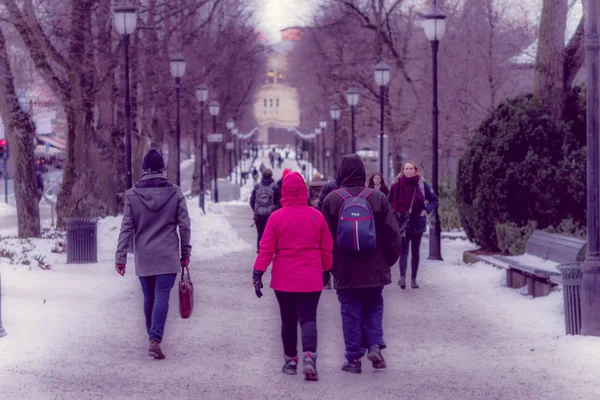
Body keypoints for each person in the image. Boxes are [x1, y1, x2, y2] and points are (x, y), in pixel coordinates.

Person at [321, 154, 401, 374]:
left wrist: (328, 268)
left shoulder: (332, 199)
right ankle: (375, 346)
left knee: (350, 311)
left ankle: (353, 359)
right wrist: (388, 260)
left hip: (345, 268)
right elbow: (393, 233)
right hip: (375, 265)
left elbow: (324, 238)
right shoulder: (376, 197)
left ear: (342, 173)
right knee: (374, 306)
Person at [252, 171, 333, 381]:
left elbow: (266, 249)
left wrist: (258, 273)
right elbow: (326, 248)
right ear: (304, 191)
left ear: (284, 192)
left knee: (288, 320)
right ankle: (309, 357)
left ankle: (290, 361)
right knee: (308, 319)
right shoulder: (316, 216)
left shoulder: (276, 217)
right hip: (311, 278)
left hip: (284, 279)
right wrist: (326, 271)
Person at [115, 149, 191, 360]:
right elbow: (184, 225)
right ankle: (155, 340)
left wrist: (120, 257)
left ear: (143, 170)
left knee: (149, 296)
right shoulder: (175, 193)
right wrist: (185, 252)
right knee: (162, 296)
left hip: (144, 255)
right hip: (167, 254)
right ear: (162, 169)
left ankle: (153, 337)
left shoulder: (132, 194)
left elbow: (126, 227)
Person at [388, 160, 439, 289]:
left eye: (411, 169)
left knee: (415, 251)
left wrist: (426, 210)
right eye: (406, 169)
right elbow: (388, 202)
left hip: (417, 220)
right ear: (402, 171)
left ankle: (413, 279)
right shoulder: (396, 185)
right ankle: (402, 277)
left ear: (415, 170)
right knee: (403, 250)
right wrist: (394, 215)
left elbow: (434, 200)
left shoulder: (421, 184)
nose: (409, 171)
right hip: (402, 222)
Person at [250, 168, 281, 251]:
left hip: (259, 215)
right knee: (271, 233)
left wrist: (257, 210)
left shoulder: (257, 187)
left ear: (262, 175)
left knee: (260, 233)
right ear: (271, 176)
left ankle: (260, 249)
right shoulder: (275, 187)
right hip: (271, 214)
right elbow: (279, 201)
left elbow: (252, 201)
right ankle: (270, 249)